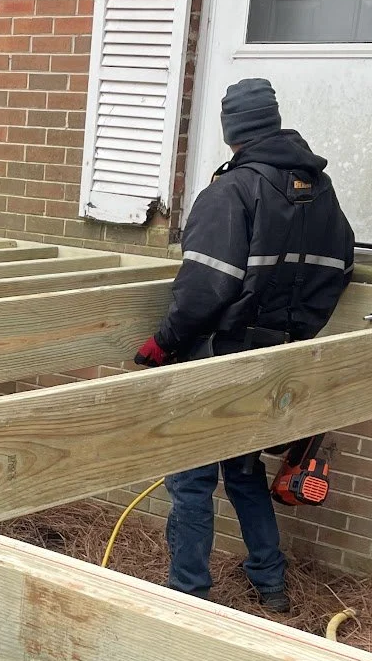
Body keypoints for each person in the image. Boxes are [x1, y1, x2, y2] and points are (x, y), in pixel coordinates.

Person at [134, 77, 355, 612]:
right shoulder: (321, 193)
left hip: (222, 358)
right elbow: (339, 269)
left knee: (191, 479)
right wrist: (297, 332)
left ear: (232, 129)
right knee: (242, 470)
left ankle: (188, 595)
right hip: (278, 359)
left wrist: (163, 343)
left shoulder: (232, 190)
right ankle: (271, 582)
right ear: (272, 122)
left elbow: (203, 290)